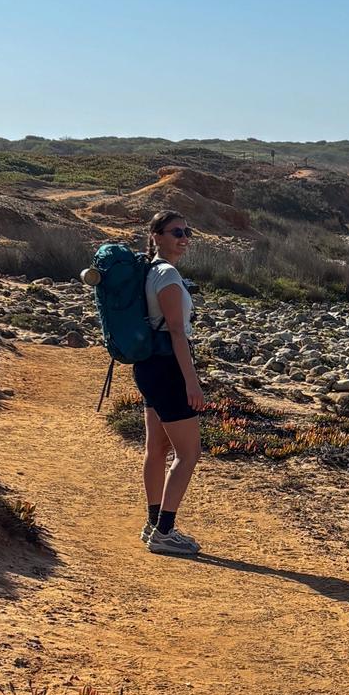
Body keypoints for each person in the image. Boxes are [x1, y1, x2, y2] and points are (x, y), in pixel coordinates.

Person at [135, 210, 207, 556]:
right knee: (189, 453)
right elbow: (177, 331)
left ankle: (153, 524)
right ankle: (164, 532)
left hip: (149, 367)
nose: (183, 237)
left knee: (157, 449)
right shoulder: (167, 275)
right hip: (168, 369)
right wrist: (191, 383)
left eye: (187, 230)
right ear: (156, 236)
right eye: (175, 231)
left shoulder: (149, 272)